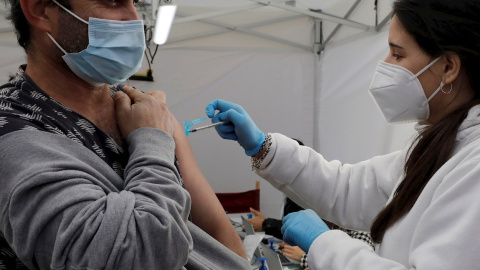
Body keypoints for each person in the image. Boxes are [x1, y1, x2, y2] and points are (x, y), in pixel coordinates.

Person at [205, 0, 480, 269]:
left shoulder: (473, 168)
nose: (385, 64)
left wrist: (325, 243)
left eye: (397, 54)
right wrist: (263, 146)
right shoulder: (437, 145)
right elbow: (346, 188)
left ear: (448, 68)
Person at [0, 0, 249, 269]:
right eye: (112, 2)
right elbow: (136, 256)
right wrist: (152, 140)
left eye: (135, 2)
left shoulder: (143, 109)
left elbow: (216, 230)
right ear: (41, 10)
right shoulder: (14, 128)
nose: (133, 19)